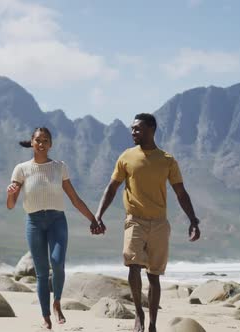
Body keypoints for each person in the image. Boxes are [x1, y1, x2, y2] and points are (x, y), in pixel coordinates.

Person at [95, 113, 201, 332]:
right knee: (133, 265)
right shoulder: (126, 156)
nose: (133, 132)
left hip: (160, 223)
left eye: (137, 129)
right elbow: (112, 188)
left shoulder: (167, 160)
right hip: (134, 220)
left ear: (151, 129)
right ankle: (139, 315)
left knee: (154, 275)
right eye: (132, 129)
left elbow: (181, 192)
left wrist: (193, 220)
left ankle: (152, 323)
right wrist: (99, 214)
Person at [7, 127, 106, 330]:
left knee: (58, 262)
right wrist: (10, 193)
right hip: (34, 222)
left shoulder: (59, 167)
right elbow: (11, 204)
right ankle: (45, 317)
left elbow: (74, 198)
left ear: (50, 144)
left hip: (57, 221)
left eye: (45, 140)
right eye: (38, 140)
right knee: (42, 273)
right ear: (32, 143)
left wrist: (93, 219)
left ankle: (57, 303)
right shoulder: (21, 169)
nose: (41, 143)